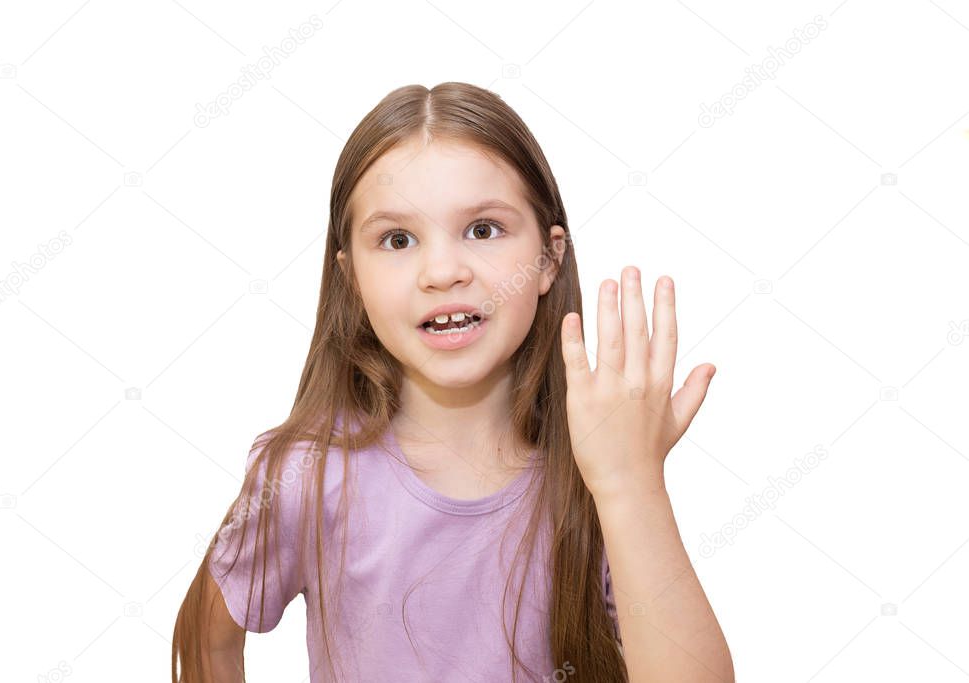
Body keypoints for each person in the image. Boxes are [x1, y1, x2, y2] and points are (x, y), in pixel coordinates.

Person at [172, 81, 733, 682]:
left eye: (484, 229)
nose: (442, 271)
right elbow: (207, 646)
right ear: (351, 276)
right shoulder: (306, 474)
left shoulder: (593, 476)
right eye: (397, 240)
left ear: (548, 259)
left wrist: (629, 482)